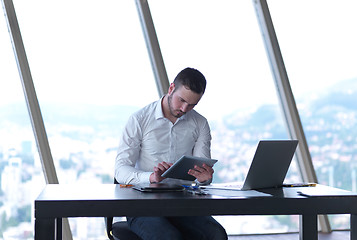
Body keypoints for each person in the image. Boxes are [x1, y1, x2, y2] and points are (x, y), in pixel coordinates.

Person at [115, 67, 228, 240]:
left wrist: (205, 178)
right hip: (142, 204)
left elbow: (201, 172)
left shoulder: (200, 123)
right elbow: (120, 170)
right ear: (171, 89)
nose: (184, 108)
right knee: (168, 237)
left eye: (192, 104)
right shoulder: (139, 119)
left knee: (216, 235)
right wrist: (151, 177)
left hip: (182, 203)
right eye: (181, 100)